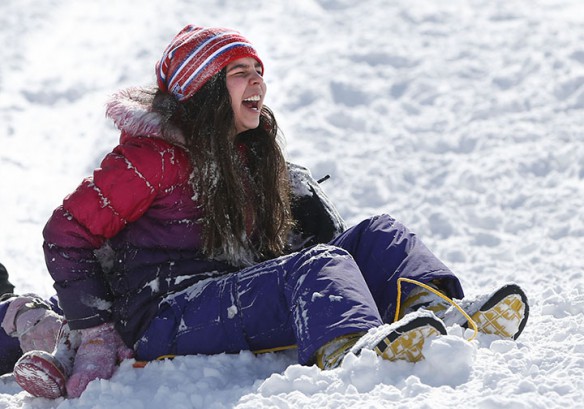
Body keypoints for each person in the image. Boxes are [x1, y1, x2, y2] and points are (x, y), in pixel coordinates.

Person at [3, 25, 529, 399]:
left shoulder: (247, 151)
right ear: (205, 89)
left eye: (259, 70)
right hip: (165, 310)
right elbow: (65, 233)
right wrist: (93, 330)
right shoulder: (150, 159)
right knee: (317, 267)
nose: (257, 82)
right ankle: (356, 348)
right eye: (238, 73)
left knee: (379, 235)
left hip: (229, 282)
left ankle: (439, 311)